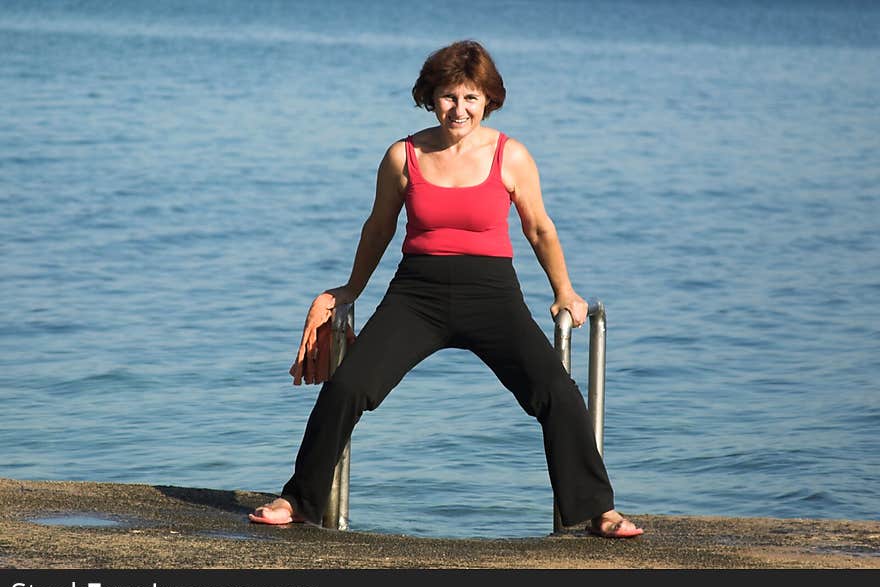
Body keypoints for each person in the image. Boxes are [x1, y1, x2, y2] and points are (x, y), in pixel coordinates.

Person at [250, 40, 643, 538]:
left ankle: (597, 511)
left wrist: (565, 291)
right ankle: (300, 499)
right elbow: (379, 228)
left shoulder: (511, 155)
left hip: (493, 295)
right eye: (449, 97)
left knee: (556, 393)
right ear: (430, 98)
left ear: (488, 101)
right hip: (417, 295)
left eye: (471, 99)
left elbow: (539, 228)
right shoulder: (403, 155)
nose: (459, 110)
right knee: (348, 387)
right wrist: (351, 289)